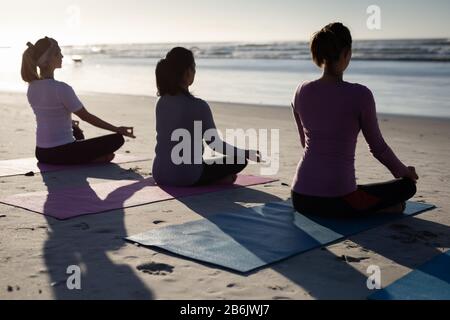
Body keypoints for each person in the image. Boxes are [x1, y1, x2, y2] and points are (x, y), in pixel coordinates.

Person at [291, 23, 418, 218]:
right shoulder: (360, 95)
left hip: (300, 197)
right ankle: (385, 209)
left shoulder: (301, 90)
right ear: (346, 52)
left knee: (360, 190)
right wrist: (404, 172)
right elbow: (378, 148)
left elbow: (304, 142)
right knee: (407, 187)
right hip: (339, 200)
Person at [153, 47, 260, 187]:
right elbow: (215, 144)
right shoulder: (199, 106)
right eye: (194, 68)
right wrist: (245, 152)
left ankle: (215, 179)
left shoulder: (161, 102)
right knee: (240, 160)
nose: (195, 72)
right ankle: (216, 180)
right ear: (187, 73)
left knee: (199, 162)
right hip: (187, 177)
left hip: (160, 174)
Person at [21, 37, 135, 165]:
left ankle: (86, 157)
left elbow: (48, 114)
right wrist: (117, 129)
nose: (62, 56)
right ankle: (89, 160)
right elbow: (86, 117)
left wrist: (69, 122)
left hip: (42, 153)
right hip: (63, 152)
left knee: (76, 131)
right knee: (117, 139)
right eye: (58, 53)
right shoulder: (61, 88)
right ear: (48, 60)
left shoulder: (31, 87)